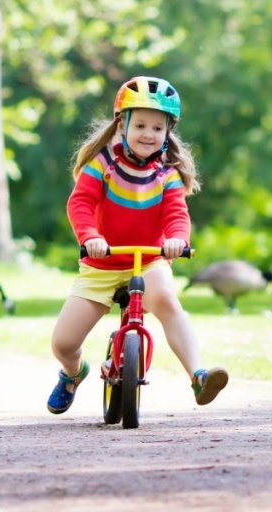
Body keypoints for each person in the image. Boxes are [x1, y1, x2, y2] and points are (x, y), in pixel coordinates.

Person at [46, 76, 228, 415]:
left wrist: (177, 240)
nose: (149, 134)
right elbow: (80, 204)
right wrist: (91, 237)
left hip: (148, 260)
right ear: (121, 124)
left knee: (167, 301)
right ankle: (73, 374)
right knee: (64, 343)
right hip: (101, 263)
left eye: (158, 128)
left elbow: (176, 213)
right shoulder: (103, 163)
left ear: (168, 132)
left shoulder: (167, 173)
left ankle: (198, 376)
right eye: (140, 124)